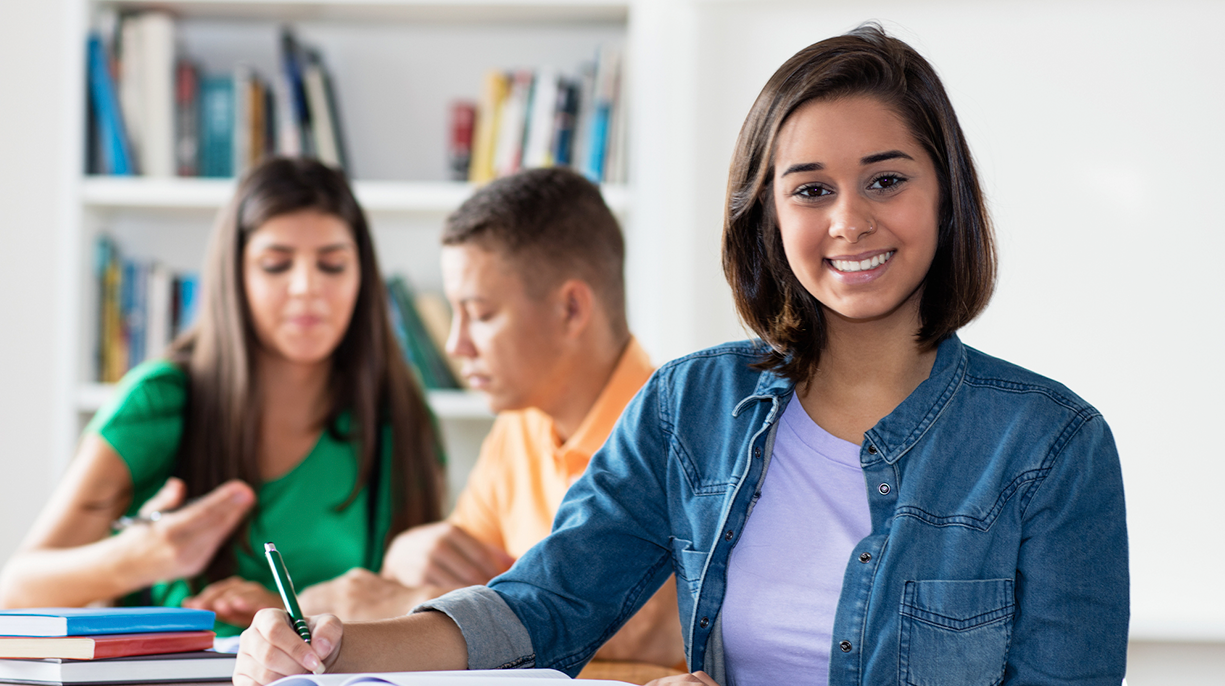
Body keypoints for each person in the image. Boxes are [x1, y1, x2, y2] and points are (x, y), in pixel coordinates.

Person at [234, 25, 1129, 685]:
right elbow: (545, 604)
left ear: (946, 196)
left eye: (886, 180)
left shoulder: (1050, 447)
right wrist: (334, 644)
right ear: (769, 219)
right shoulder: (689, 407)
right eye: (810, 189)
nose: (849, 220)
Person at [0, 158, 444, 636]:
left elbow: (411, 611)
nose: (307, 287)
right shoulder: (160, 403)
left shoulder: (400, 412)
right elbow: (17, 592)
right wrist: (139, 558)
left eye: (332, 265)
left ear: (363, 277)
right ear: (236, 276)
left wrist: (285, 611)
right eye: (276, 265)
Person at [299, 167, 684, 669]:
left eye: (479, 315)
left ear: (571, 309)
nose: (456, 345)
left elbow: (607, 636)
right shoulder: (520, 426)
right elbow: (456, 589)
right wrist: (405, 558)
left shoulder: (679, 436)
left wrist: (385, 605)